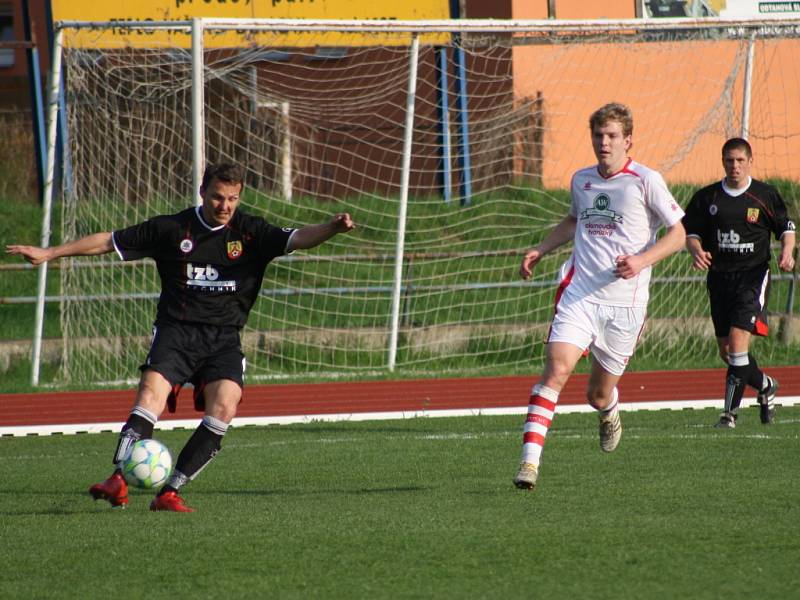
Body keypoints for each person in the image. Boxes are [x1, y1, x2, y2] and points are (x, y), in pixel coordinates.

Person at [7, 163, 355, 512]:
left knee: (225, 406)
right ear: (203, 192)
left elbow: (298, 238)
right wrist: (50, 253)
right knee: (150, 395)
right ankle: (118, 478)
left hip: (223, 339)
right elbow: (109, 241)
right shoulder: (172, 229)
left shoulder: (251, 232)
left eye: (232, 198)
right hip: (176, 331)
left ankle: (170, 491)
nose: (225, 205)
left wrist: (332, 228)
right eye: (218, 197)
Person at [513, 103, 686, 490]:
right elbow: (575, 219)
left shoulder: (646, 180)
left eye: (611, 136)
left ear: (628, 140)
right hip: (581, 295)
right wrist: (541, 249)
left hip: (625, 306)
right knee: (557, 370)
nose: (603, 143)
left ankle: (609, 409)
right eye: (598, 135)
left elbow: (678, 234)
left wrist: (641, 260)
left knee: (596, 393)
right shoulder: (582, 180)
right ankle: (529, 465)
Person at [682, 138, 796, 428]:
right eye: (729, 160)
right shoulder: (707, 198)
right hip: (719, 279)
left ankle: (728, 414)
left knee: (737, 343)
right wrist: (696, 250)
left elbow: (786, 228)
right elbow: (690, 233)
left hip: (753, 277)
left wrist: (786, 251)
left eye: (740, 160)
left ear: (750, 161)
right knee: (727, 352)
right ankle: (767, 386)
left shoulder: (764, 195)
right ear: (722, 161)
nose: (735, 166)